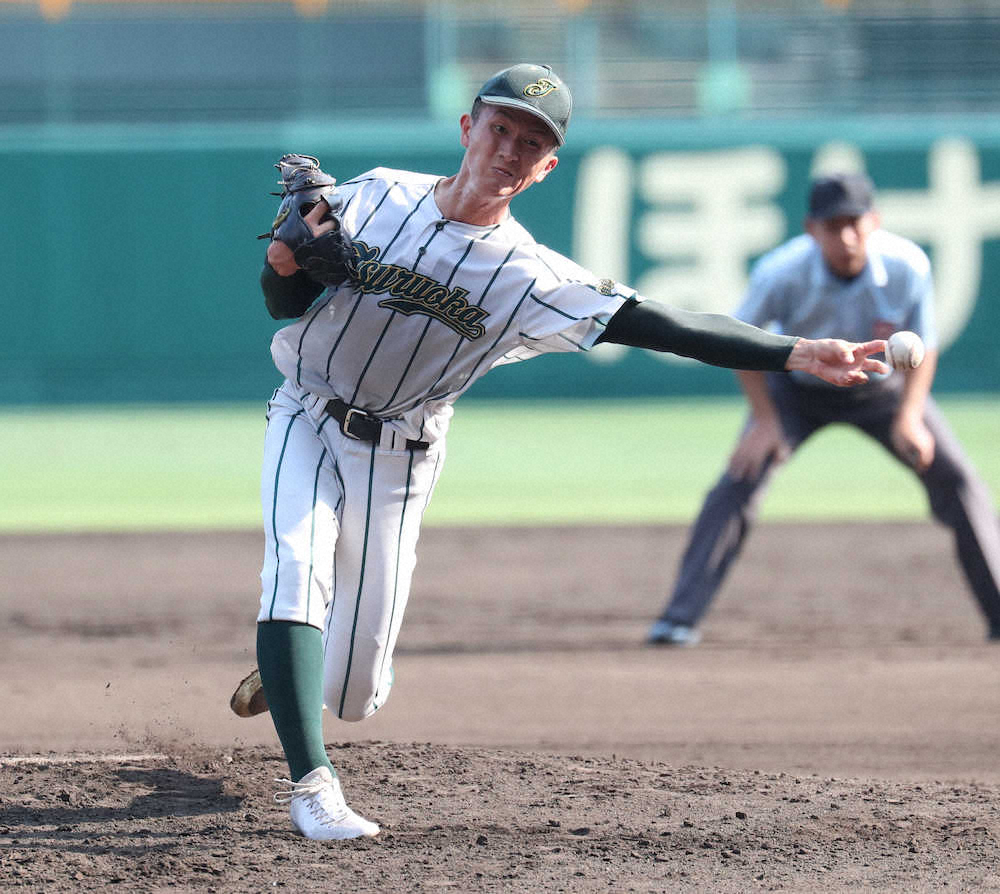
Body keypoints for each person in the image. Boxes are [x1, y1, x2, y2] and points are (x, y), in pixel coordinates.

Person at [233, 65, 889, 841]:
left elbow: (664, 325)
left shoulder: (528, 274)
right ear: (469, 126)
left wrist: (795, 352)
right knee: (296, 564)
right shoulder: (374, 194)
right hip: (307, 408)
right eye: (502, 128)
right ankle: (313, 785)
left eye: (532, 143)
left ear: (546, 168)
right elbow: (286, 299)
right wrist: (281, 267)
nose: (510, 149)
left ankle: (293, 664)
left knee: (353, 690)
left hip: (399, 454)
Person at [648, 172, 1000, 648]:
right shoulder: (781, 272)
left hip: (883, 391)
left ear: (874, 221)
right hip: (797, 393)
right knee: (739, 478)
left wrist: (910, 416)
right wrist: (767, 422)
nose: (847, 235)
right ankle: (678, 619)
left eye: (856, 222)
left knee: (957, 478)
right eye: (834, 225)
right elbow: (739, 343)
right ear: (812, 229)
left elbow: (925, 346)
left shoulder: (906, 265)